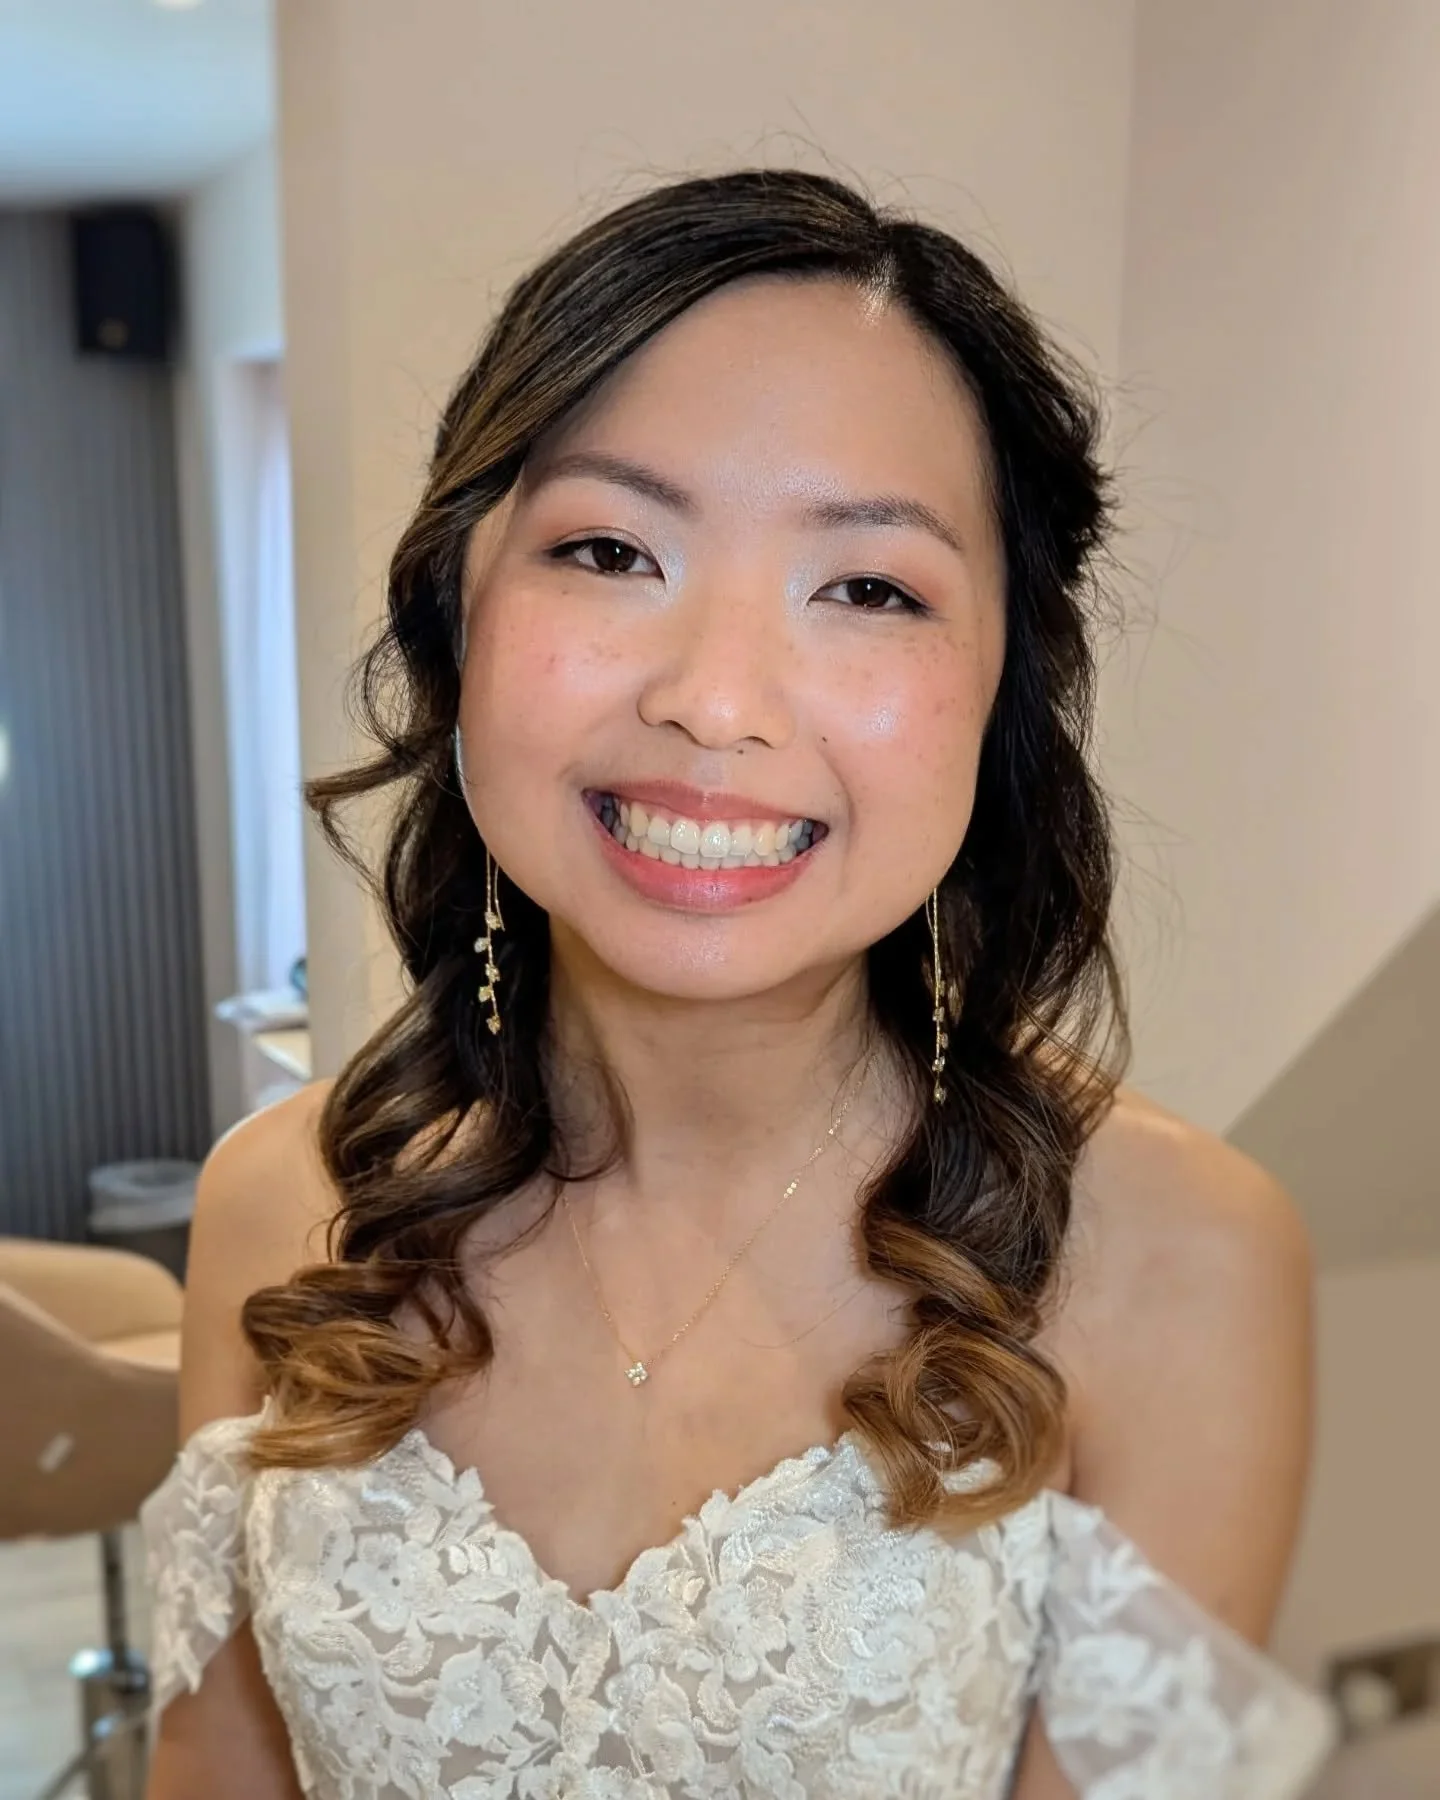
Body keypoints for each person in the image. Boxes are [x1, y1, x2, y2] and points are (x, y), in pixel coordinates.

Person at [142, 168, 1337, 1799]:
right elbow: (213, 1766)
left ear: (1005, 688)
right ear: (455, 612)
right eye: (609, 548)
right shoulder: (279, 1206)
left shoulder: (1183, 1258)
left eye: (868, 587)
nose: (716, 701)